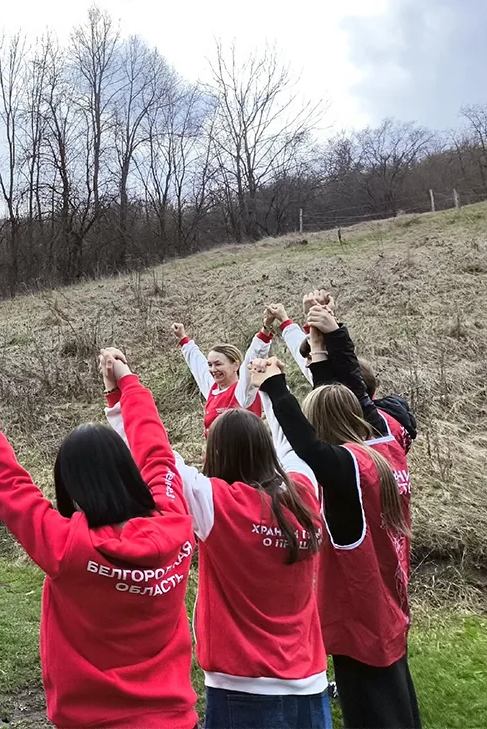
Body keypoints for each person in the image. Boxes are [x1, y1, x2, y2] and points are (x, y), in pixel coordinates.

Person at [0, 347, 197, 729]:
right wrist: (126, 384)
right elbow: (157, 455)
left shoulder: (67, 547)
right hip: (174, 721)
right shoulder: (175, 522)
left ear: (70, 487)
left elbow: (6, 482)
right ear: (127, 470)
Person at [105, 375, 329, 728]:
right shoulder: (306, 494)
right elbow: (292, 443)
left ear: (217, 454)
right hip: (311, 688)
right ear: (267, 450)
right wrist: (272, 389)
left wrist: (123, 393)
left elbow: (155, 459)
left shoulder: (218, 505)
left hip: (241, 689)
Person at [252, 314, 420, 729]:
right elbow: (347, 397)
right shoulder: (386, 449)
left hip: (360, 618)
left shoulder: (347, 470)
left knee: (374, 715)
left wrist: (275, 388)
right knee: (399, 703)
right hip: (390, 603)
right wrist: (323, 345)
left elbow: (309, 445)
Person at [270, 292, 417, 452]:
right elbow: (341, 372)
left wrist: (330, 333)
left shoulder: (364, 438)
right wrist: (323, 325)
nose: (307, 366)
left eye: (311, 359)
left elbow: (337, 378)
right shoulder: (386, 422)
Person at [172, 321, 273, 433]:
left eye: (218, 364)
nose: (213, 369)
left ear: (235, 365)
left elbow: (253, 357)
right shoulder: (213, 389)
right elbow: (198, 365)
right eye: (210, 365)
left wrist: (266, 329)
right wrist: (182, 337)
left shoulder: (243, 392)